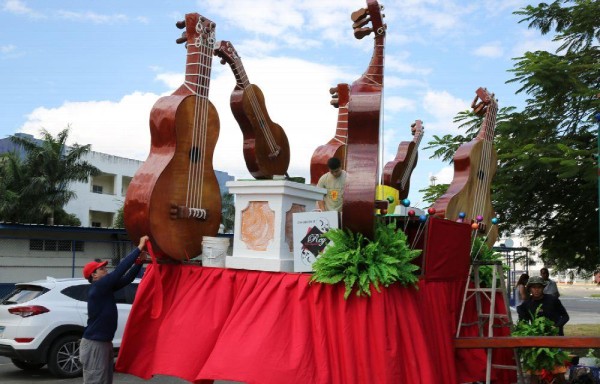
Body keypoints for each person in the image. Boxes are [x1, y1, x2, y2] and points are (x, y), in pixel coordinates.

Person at [79, 235, 149, 384]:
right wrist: (138, 248)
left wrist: (139, 262)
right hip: (95, 344)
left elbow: (126, 279)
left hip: (103, 343)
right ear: (94, 275)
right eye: (102, 269)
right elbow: (119, 272)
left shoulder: (104, 289)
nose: (106, 270)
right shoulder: (98, 287)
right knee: (96, 380)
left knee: (104, 380)